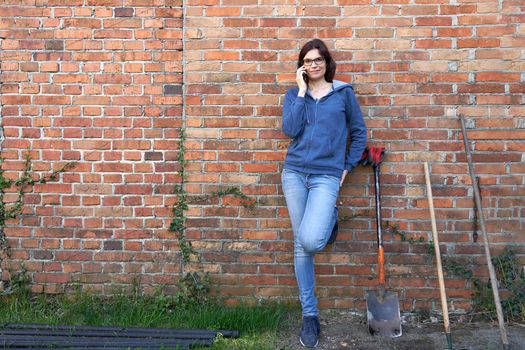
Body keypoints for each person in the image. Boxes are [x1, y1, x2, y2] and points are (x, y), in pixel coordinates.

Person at [281, 39, 367, 348]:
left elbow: (358, 133)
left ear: (326, 62)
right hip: (293, 174)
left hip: (327, 177)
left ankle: (329, 215)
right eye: (308, 60)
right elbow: (289, 130)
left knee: (310, 240)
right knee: (301, 246)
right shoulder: (294, 95)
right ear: (302, 65)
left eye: (318, 59)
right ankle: (310, 315)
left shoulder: (343, 94)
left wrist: (346, 168)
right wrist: (302, 92)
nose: (314, 64)